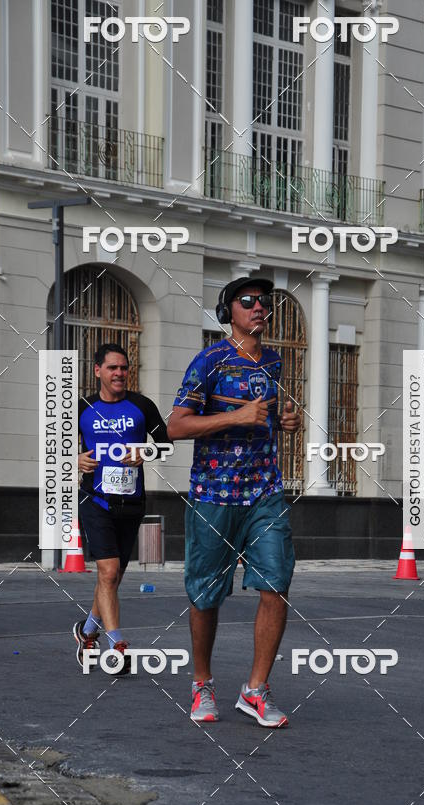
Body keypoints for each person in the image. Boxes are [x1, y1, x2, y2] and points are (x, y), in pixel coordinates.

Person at [168, 276, 302, 727]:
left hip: (265, 491)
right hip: (214, 493)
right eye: (248, 301)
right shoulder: (209, 361)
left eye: (265, 302)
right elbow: (175, 426)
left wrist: (284, 424)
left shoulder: (274, 362)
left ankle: (255, 690)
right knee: (206, 594)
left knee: (276, 583)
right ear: (229, 311)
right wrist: (236, 416)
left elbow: (265, 417)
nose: (259, 308)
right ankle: (202, 682)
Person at [74, 343, 169, 673]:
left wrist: (146, 452)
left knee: (112, 578)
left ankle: (87, 631)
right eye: (112, 368)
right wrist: (75, 459)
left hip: (132, 503)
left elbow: (166, 445)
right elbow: (54, 449)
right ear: (97, 370)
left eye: (124, 368)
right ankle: (117, 646)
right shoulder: (82, 406)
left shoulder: (142, 405)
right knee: (109, 572)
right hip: (95, 500)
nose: (119, 373)